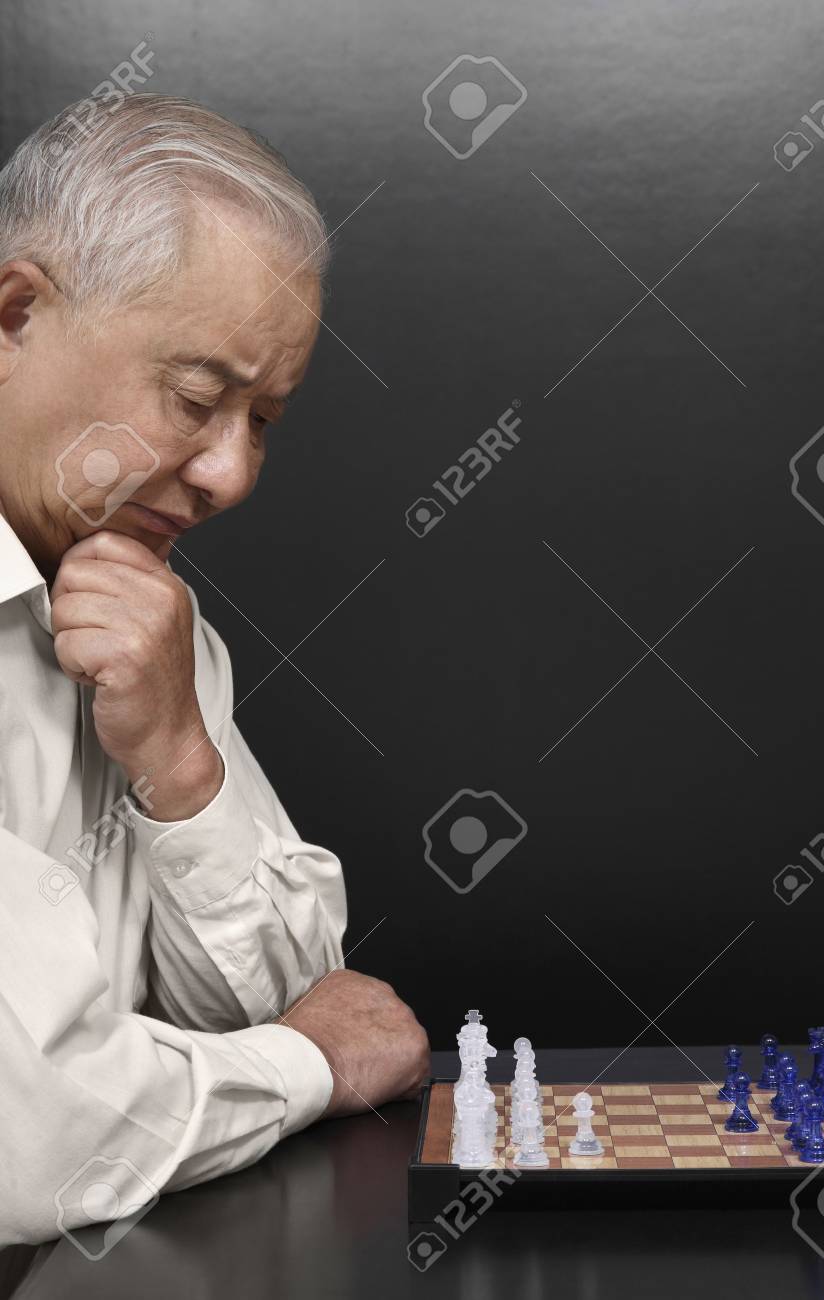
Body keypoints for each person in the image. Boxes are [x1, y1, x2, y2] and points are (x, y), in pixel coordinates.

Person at [0, 93, 429, 1245]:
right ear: (13, 313)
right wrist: (304, 1067)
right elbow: (28, 1137)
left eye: (264, 419)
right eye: (195, 399)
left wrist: (184, 765)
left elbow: (295, 998)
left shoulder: (155, 630)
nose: (230, 474)